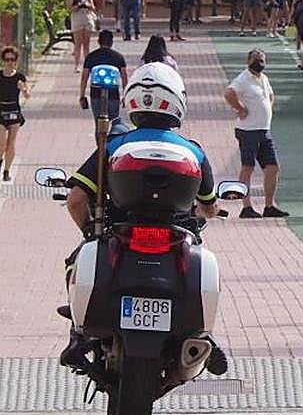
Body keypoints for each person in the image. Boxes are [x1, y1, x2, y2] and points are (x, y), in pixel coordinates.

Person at [60, 62, 224, 374]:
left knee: (76, 260)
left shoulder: (114, 146)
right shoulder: (194, 151)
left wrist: (90, 233)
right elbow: (209, 205)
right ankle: (204, 335)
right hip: (178, 239)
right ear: (178, 100)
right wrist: (212, 211)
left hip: (121, 234)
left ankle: (77, 334)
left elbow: (76, 198)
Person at [224, 48, 289, 219]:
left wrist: (267, 107)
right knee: (248, 167)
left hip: (263, 129)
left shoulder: (264, 78)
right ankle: (246, 207)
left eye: (261, 59)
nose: (259, 62)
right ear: (248, 61)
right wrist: (240, 108)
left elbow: (271, 95)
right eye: (255, 59)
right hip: (248, 130)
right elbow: (229, 93)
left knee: (273, 167)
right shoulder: (243, 79)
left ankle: (269, 205)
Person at [0, 46, 31, 181]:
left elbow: (27, 94)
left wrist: (23, 89)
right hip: (0, 110)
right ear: (3, 60)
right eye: (7, 59)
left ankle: (6, 171)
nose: (9, 62)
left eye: (12, 59)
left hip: (14, 111)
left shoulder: (20, 77)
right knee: (2, 142)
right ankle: (0, 159)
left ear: (16, 61)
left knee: (11, 143)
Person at [79, 30, 128, 116]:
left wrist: (82, 95)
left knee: (98, 120)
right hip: (113, 93)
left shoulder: (91, 57)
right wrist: (125, 96)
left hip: (96, 93)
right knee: (114, 120)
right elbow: (124, 78)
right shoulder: (118, 57)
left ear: (98, 42)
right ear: (111, 42)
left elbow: (84, 78)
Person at [66, 0, 97, 72]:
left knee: (86, 44)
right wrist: (78, 6)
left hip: (87, 18)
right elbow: (69, 9)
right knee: (78, 44)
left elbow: (93, 8)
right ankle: (76, 65)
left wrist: (87, 5)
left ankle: (87, 65)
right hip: (77, 19)